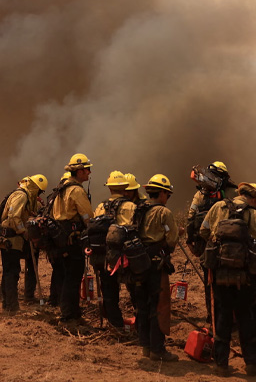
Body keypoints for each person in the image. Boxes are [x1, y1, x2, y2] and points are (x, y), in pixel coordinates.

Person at [202, 181, 256, 377]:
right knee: (247, 316)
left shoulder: (218, 207)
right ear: (254, 198)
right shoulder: (254, 215)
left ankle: (221, 365)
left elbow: (203, 231)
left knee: (221, 316)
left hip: (220, 273)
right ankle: (251, 364)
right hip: (246, 276)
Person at [130, 173, 181, 361]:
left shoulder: (138, 209)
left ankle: (145, 347)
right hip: (155, 266)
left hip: (138, 264)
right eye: (167, 195)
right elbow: (172, 239)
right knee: (158, 306)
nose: (167, 198)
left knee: (141, 306)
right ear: (161, 194)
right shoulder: (164, 212)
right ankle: (157, 350)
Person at [50, 154, 93, 327]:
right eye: (87, 169)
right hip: (72, 240)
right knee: (73, 277)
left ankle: (73, 313)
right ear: (80, 171)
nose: (89, 173)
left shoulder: (62, 187)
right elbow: (88, 216)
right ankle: (68, 316)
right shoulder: (76, 190)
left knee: (68, 275)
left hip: (60, 239)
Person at [93, 171, 136, 332]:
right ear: (125, 187)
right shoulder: (131, 207)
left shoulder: (100, 207)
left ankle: (115, 326)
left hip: (105, 258)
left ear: (110, 188)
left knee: (109, 293)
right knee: (136, 291)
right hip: (128, 257)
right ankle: (140, 325)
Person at [0, 175, 46, 313]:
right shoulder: (21, 195)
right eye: (39, 191)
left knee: (9, 272)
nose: (39, 194)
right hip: (11, 240)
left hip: (12, 240)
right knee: (11, 273)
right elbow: (14, 216)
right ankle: (12, 307)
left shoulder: (24, 195)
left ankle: (7, 304)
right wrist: (24, 231)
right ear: (35, 188)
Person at [187, 161, 235, 258]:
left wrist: (189, 241)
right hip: (227, 242)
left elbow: (191, 217)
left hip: (205, 241)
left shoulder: (200, 194)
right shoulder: (234, 192)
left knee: (207, 266)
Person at [45, 170, 72, 308]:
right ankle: (61, 301)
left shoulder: (51, 197)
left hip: (52, 241)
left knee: (57, 270)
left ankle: (53, 299)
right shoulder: (66, 197)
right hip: (61, 239)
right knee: (63, 271)